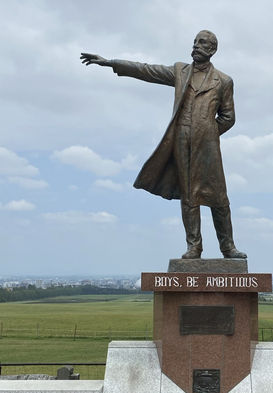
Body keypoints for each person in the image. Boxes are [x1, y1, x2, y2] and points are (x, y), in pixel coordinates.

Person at [81, 30, 246, 259]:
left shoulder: (224, 81)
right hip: (180, 143)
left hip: (207, 147)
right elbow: (147, 70)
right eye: (195, 41)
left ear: (212, 50)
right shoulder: (181, 71)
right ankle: (194, 246)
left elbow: (228, 117)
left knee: (218, 196)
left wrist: (207, 133)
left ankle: (228, 247)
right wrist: (111, 63)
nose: (196, 45)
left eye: (202, 43)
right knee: (189, 195)